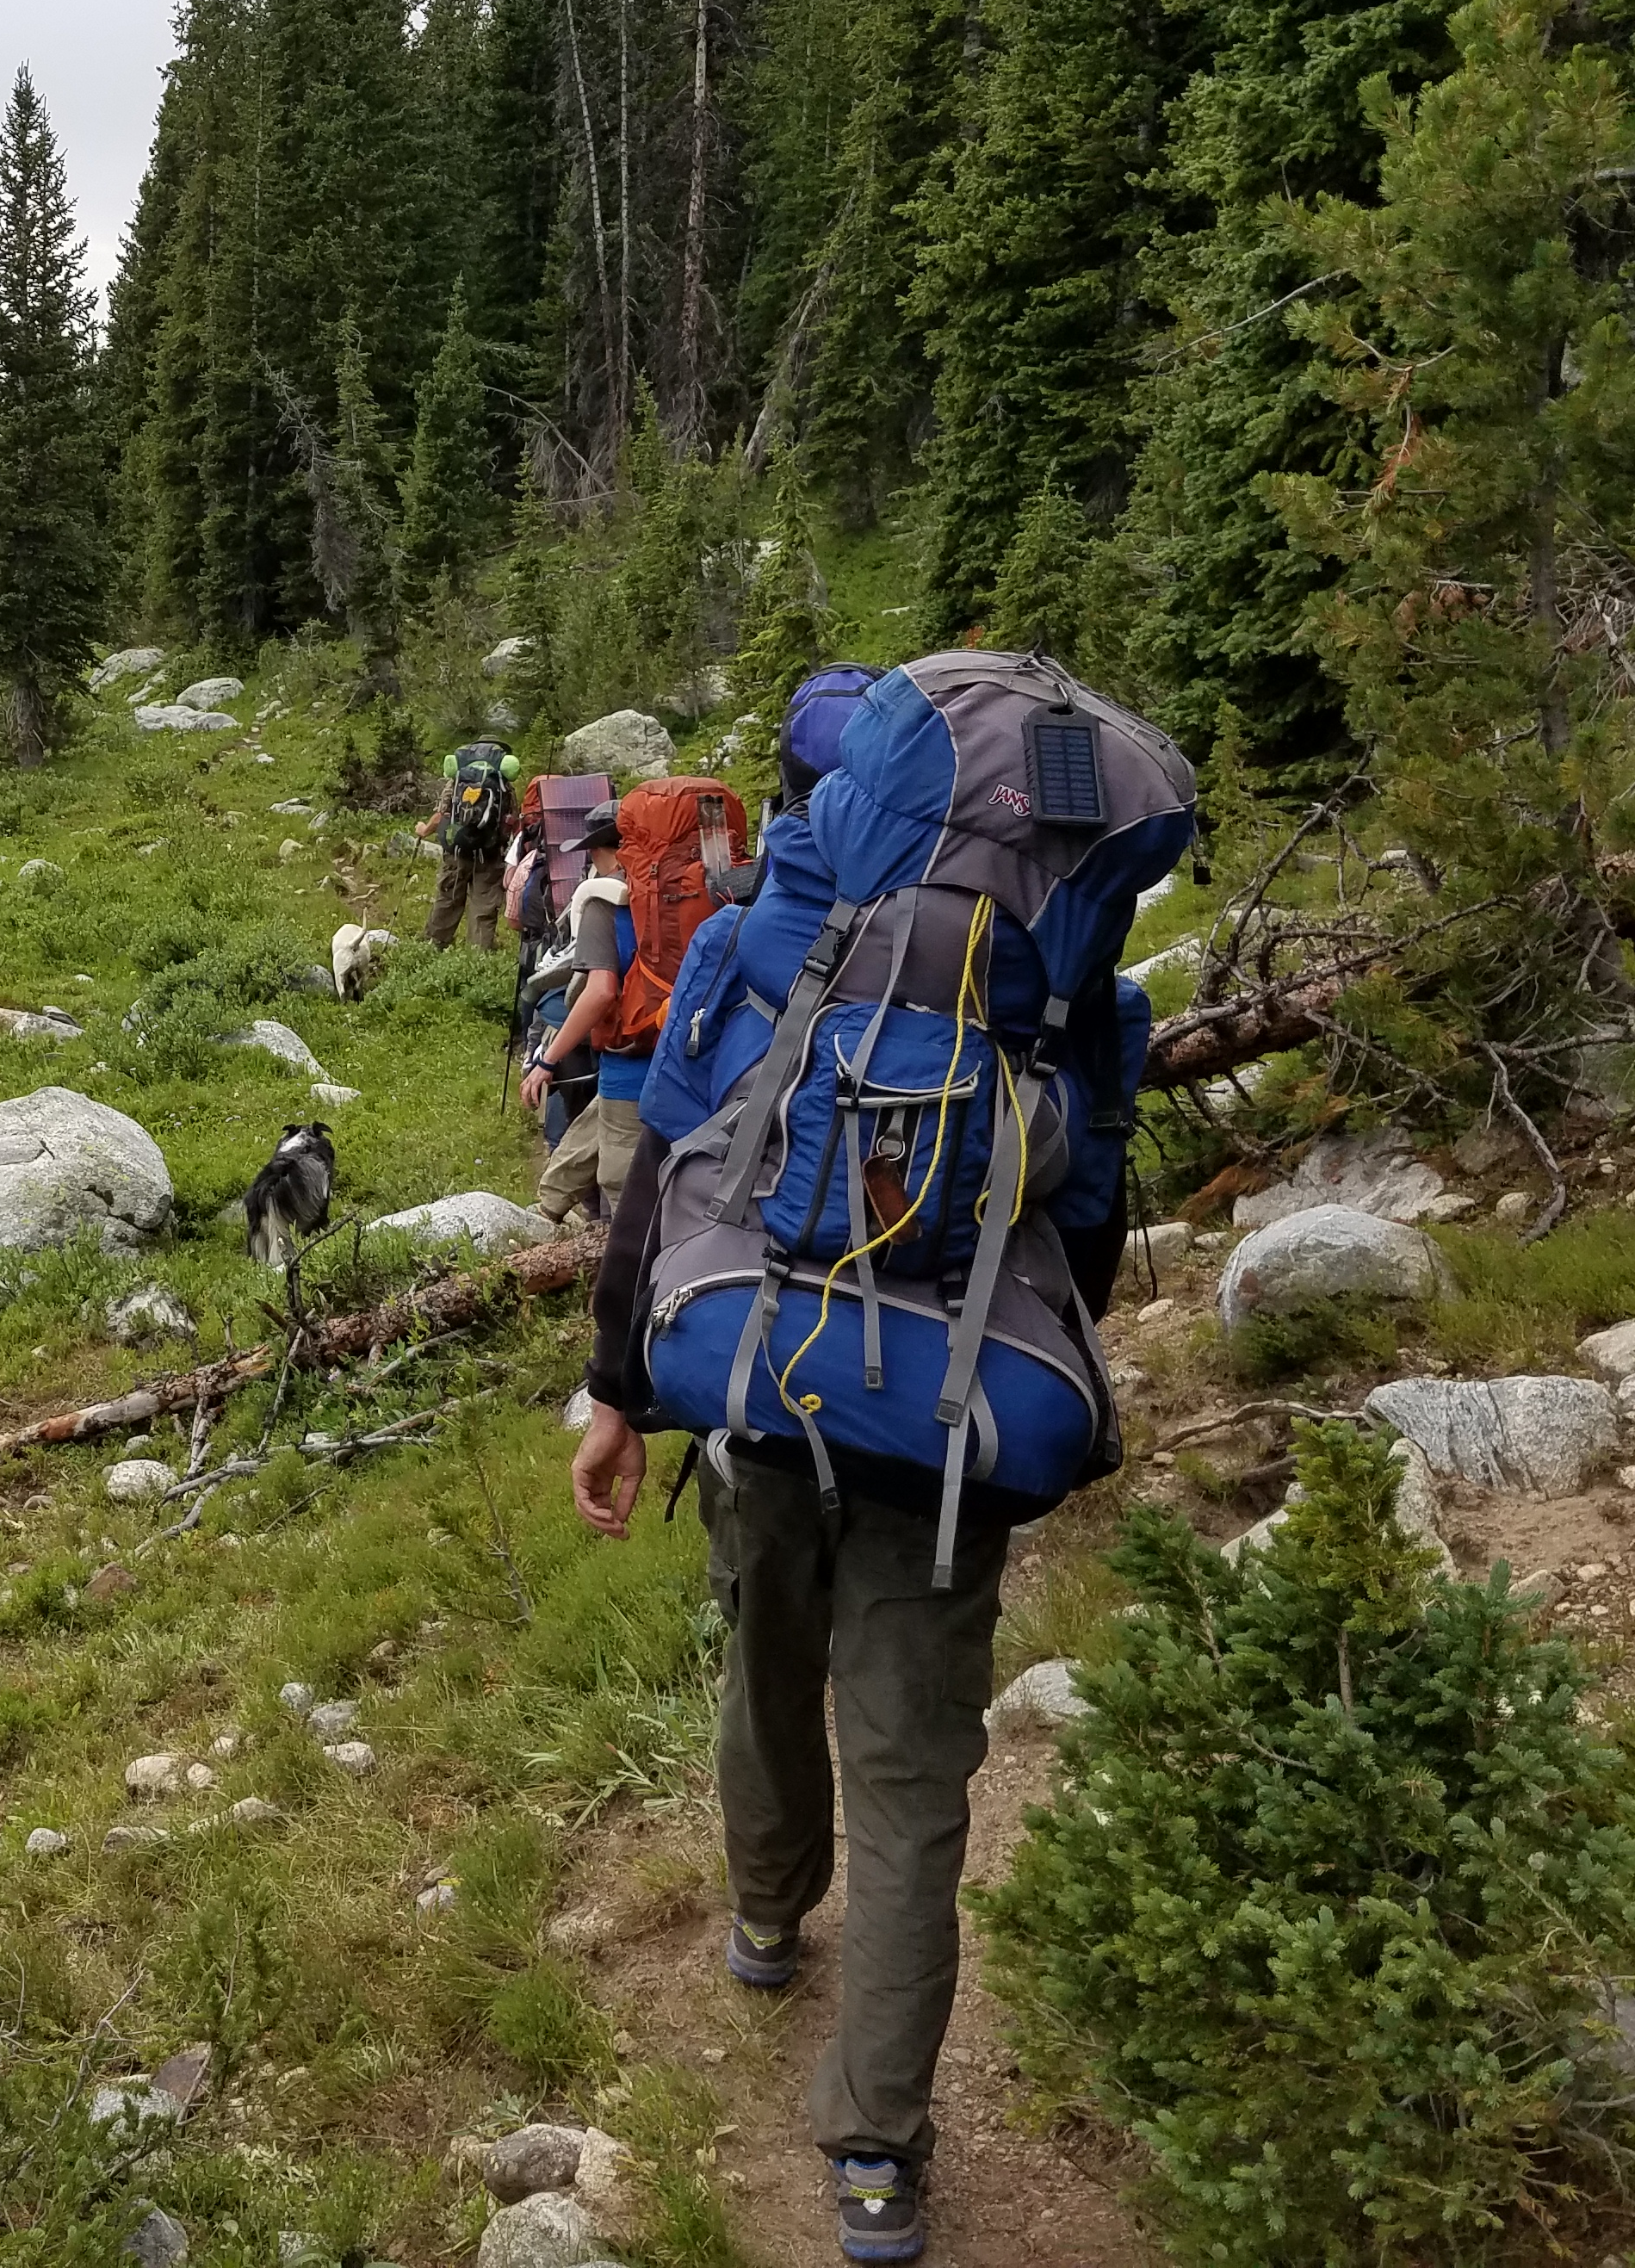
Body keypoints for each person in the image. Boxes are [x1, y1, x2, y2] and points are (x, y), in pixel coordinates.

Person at [559, 676, 996, 2268]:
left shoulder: (758, 940)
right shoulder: (1021, 971)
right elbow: (1074, 1226)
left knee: (763, 1661)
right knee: (916, 1779)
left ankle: (760, 1910)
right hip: (949, 1425)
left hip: (764, 1381)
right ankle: (875, 2150)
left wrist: (617, 1392)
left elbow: (660, 1191)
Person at [522, 802, 643, 1222]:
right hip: (680, 1045)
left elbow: (600, 992)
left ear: (594, 852)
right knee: (593, 1126)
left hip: (630, 1054)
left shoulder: (602, 901)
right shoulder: (672, 891)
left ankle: (615, 1256)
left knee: (620, 1178)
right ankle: (547, 1209)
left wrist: (546, 1060)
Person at [417, 740, 518, 950]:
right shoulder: (504, 784)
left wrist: (424, 831)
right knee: (484, 906)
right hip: (490, 854)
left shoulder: (458, 780)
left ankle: (433, 945)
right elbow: (512, 819)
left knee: (448, 898)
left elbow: (441, 814)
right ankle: (479, 953)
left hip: (458, 851)